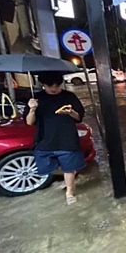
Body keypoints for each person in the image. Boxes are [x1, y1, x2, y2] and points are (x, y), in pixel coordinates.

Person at [24, 72, 85, 205]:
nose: (54, 89)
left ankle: (70, 193)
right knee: (46, 167)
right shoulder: (36, 98)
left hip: (67, 138)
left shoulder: (69, 96)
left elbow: (79, 117)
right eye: (50, 86)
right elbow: (29, 122)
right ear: (43, 85)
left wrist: (71, 112)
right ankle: (67, 177)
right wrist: (32, 109)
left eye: (57, 86)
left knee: (69, 168)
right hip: (44, 139)